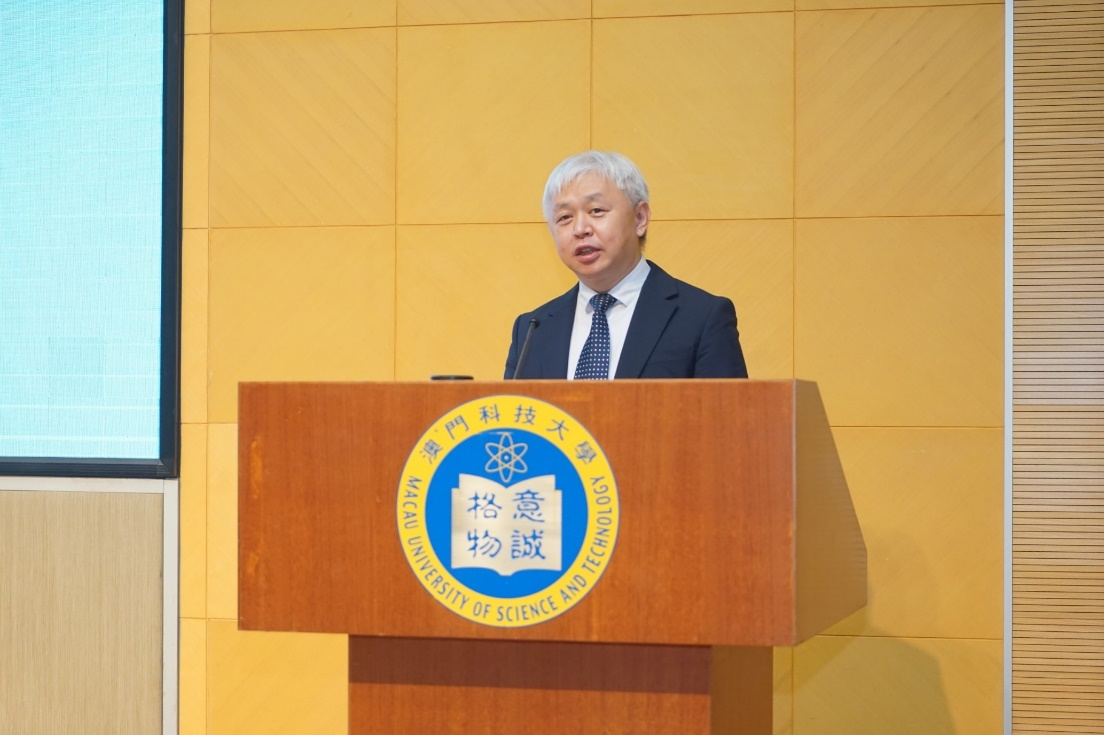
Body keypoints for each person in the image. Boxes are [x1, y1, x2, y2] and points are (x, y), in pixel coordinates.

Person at [504, 151, 748, 380]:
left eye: (596, 210)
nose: (580, 229)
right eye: (565, 217)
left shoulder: (701, 318)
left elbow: (727, 411)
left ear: (640, 218)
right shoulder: (531, 330)